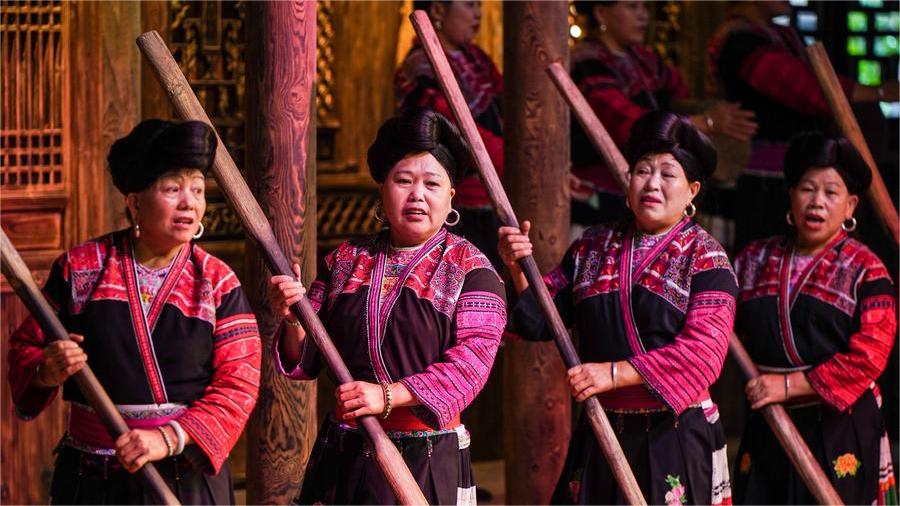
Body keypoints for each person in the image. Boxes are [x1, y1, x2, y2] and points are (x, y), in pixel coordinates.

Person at [7, 119, 261, 504]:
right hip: (91, 478)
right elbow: (25, 347)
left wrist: (166, 438)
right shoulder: (81, 269)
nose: (189, 203)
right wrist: (46, 369)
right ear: (135, 201)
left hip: (182, 477)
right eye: (173, 188)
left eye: (197, 188)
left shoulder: (216, 281)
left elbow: (238, 384)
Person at [270, 108, 506, 504]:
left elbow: (471, 365)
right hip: (345, 451)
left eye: (432, 183)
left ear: (451, 196)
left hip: (427, 457)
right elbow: (305, 357)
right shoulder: (345, 260)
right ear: (382, 189)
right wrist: (294, 320)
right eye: (403, 180)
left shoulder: (473, 270)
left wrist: (389, 396)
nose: (417, 195)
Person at [500, 111, 736, 504]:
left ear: (692, 190)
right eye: (643, 171)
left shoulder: (707, 258)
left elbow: (703, 357)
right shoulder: (592, 247)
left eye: (668, 174)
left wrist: (613, 374)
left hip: (673, 434)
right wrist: (517, 267)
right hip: (603, 427)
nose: (653, 184)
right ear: (627, 182)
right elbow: (541, 320)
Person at [731, 132, 897, 504]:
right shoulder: (752, 261)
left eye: (831, 192)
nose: (817, 202)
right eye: (808, 189)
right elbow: (716, 320)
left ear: (851, 206)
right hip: (769, 420)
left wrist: (786, 386)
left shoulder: (867, 271)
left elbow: (868, 358)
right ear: (791, 195)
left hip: (839, 428)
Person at [708, 0, 899, 252]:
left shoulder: (783, 36)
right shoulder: (739, 40)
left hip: (795, 178)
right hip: (760, 183)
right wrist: (879, 92)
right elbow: (803, 89)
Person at [570, 0, 757, 232]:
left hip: (648, 185)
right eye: (632, 7)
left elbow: (679, 92)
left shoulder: (643, 59)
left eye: (644, 7)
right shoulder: (587, 61)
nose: (643, 16)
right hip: (605, 192)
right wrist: (704, 122)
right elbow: (625, 122)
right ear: (601, 13)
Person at [396, 0, 504, 270]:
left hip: (499, 189)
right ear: (439, 10)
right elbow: (453, 128)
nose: (477, 13)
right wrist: (512, 160)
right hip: (458, 200)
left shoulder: (478, 60)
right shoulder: (421, 67)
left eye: (479, 5)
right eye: (469, 5)